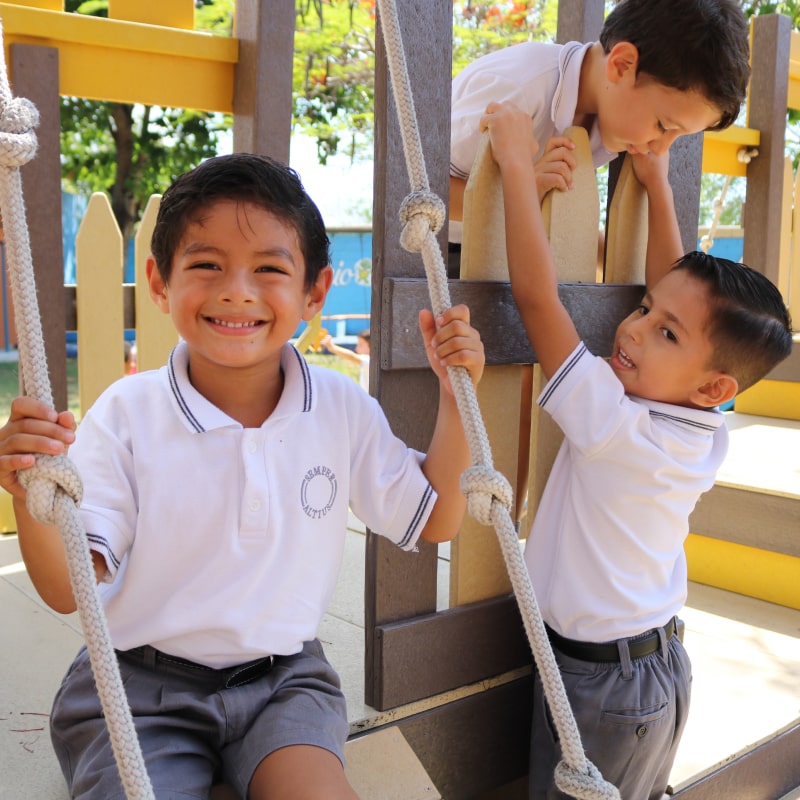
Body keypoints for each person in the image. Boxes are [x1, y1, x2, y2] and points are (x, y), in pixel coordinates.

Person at [0, 153, 485, 800]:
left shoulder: (338, 409)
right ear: (159, 281)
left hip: (283, 683)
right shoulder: (129, 414)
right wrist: (31, 490)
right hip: (138, 687)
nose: (237, 290)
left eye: (269, 270)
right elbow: (67, 588)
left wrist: (457, 403)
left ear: (315, 292)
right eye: (206, 265)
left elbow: (436, 516)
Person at [482, 101, 793, 800]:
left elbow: (537, 300)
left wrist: (513, 170)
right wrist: (654, 186)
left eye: (664, 334)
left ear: (711, 385)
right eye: (646, 307)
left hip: (607, 688)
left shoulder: (620, 429)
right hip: (642, 672)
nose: (635, 328)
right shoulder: (697, 420)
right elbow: (683, 295)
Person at [448, 0, 751, 277]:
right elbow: (424, 189)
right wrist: (526, 188)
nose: (661, 148)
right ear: (621, 65)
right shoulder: (519, 90)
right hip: (441, 257)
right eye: (662, 125)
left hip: (501, 256)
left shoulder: (608, 119)